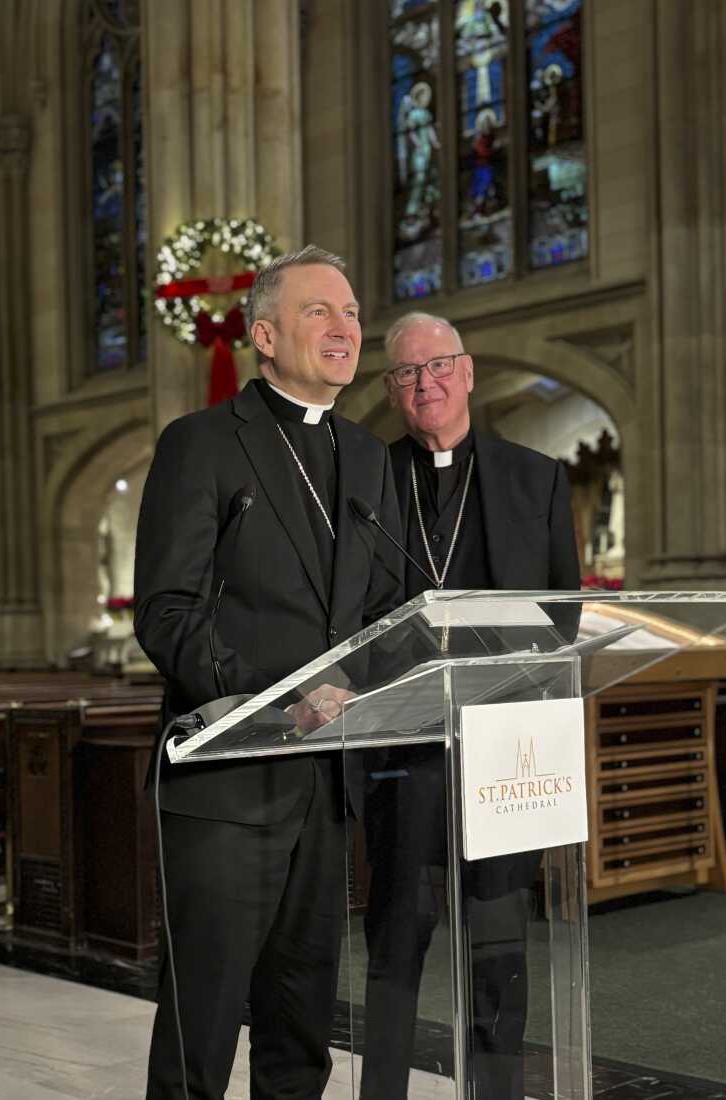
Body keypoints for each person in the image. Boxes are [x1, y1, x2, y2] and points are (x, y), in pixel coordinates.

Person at [134, 245, 405, 1100]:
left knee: (302, 1031)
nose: (346, 327)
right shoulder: (203, 445)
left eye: (354, 312)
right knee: (201, 1030)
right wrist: (277, 700)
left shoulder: (368, 459)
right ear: (263, 335)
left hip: (328, 788)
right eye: (320, 311)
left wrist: (370, 679)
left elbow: (387, 611)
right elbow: (167, 614)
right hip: (226, 785)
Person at [360, 311, 580, 1100]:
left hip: (505, 755)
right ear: (391, 390)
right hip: (403, 752)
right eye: (407, 374)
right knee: (395, 947)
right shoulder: (365, 480)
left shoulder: (536, 477)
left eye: (439, 365)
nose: (426, 383)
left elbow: (565, 621)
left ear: (469, 370)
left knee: (497, 951)